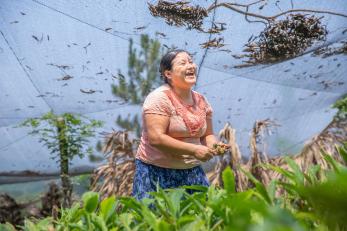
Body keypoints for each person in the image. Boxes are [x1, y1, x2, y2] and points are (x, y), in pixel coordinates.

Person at [132, 49, 228, 200]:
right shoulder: (158, 99)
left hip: (192, 171)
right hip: (156, 172)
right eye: (183, 63)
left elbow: (208, 134)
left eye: (191, 61)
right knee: (156, 219)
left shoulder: (201, 101)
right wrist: (195, 149)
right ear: (168, 74)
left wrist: (214, 146)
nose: (190, 66)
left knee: (203, 217)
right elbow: (156, 138)